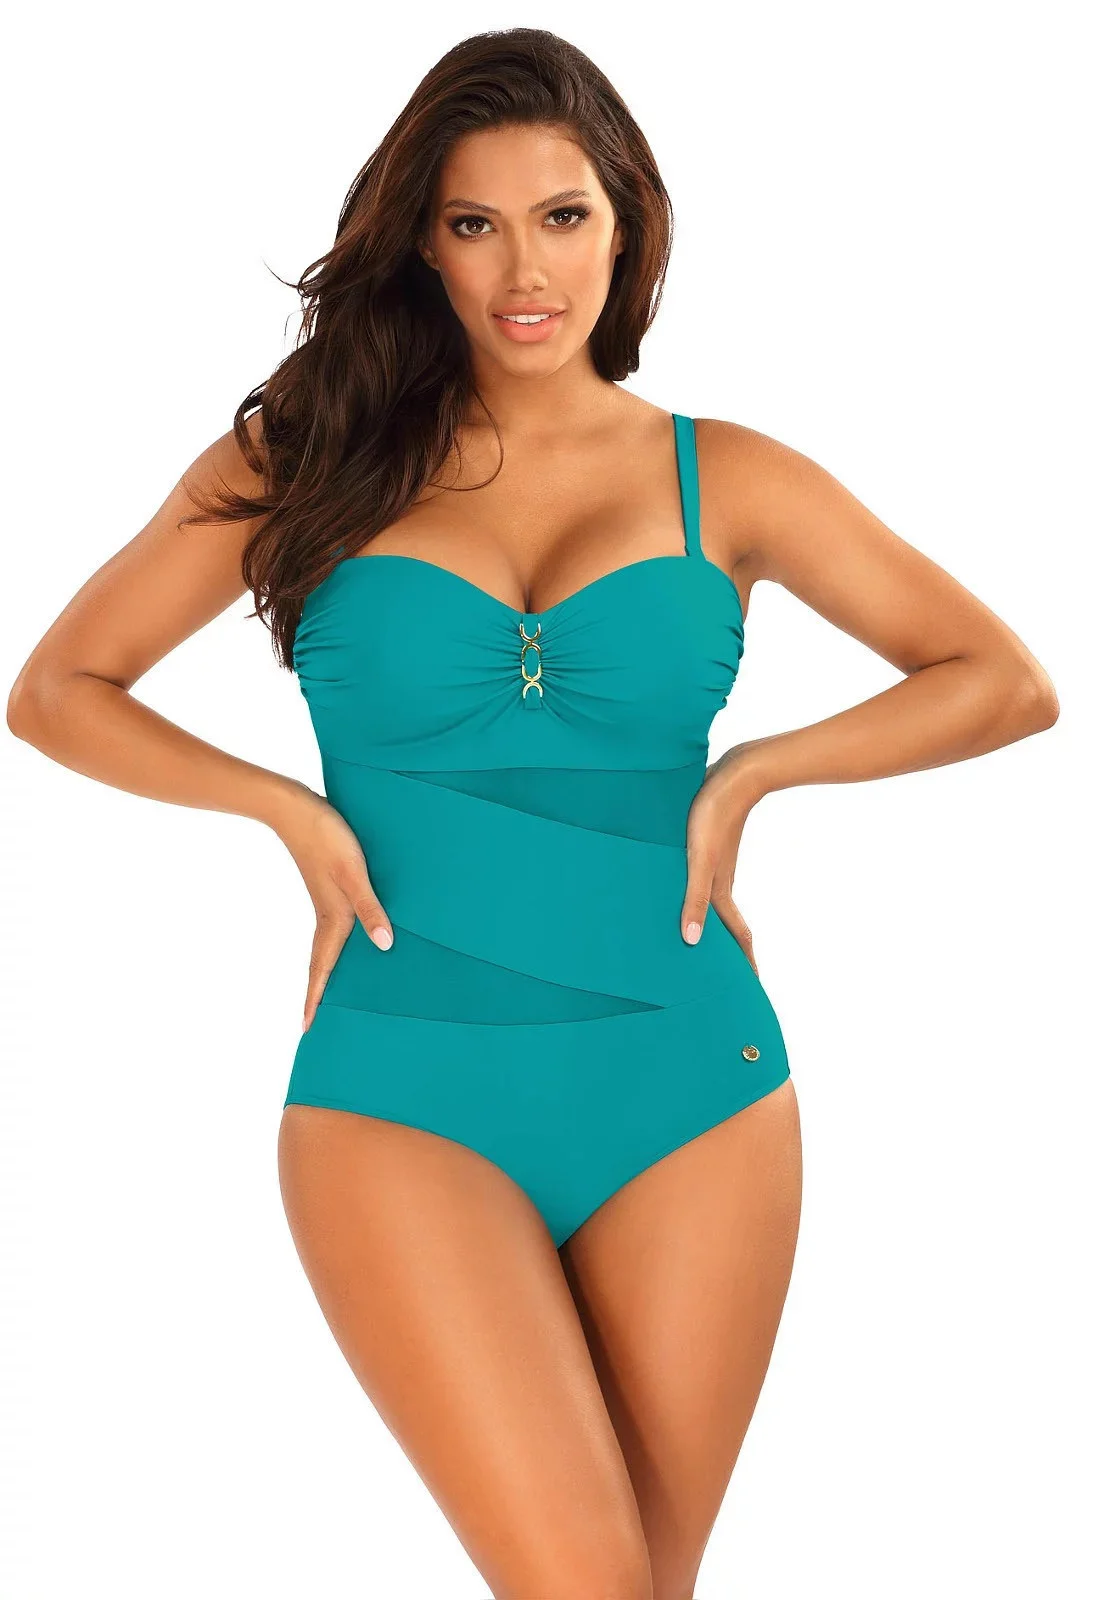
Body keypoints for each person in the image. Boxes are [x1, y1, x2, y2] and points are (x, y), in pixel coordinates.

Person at [5, 26, 1059, 1600]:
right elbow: (58, 689)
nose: (523, 268)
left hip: (695, 1083)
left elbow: (1002, 680)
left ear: (626, 227)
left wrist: (754, 773)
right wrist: (287, 814)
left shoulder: (728, 477)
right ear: (420, 242)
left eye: (562, 216)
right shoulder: (308, 456)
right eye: (473, 221)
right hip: (400, 1082)